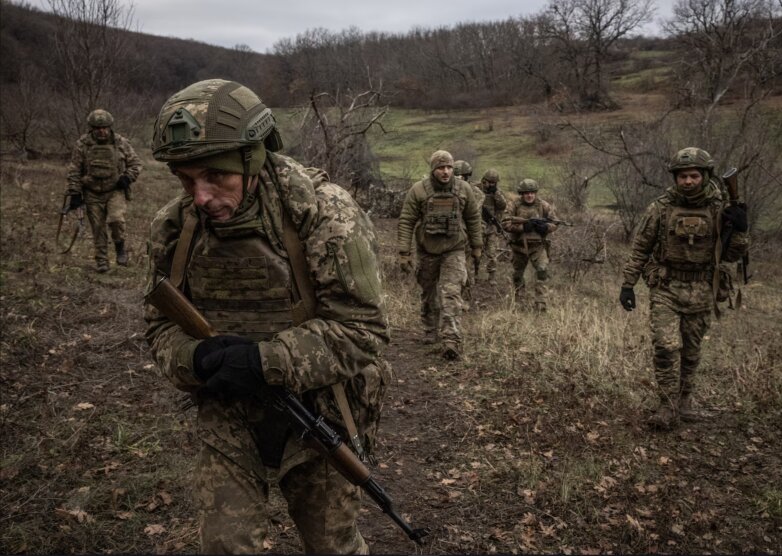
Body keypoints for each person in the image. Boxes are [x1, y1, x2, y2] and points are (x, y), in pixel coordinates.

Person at [143, 79, 391, 554]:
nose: (199, 196)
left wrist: (265, 361)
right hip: (227, 410)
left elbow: (363, 330)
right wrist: (194, 360)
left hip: (320, 411)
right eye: (185, 179)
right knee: (223, 545)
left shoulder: (324, 214)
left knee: (331, 545)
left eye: (215, 177)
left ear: (252, 160)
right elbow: (158, 326)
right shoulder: (174, 228)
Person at [618, 147, 749, 430]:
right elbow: (640, 248)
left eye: (693, 176)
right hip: (666, 287)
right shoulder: (661, 207)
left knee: (691, 349)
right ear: (675, 178)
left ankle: (686, 401)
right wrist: (627, 284)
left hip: (703, 287)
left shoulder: (719, 208)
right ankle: (667, 404)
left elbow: (731, 255)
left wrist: (740, 228)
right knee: (665, 346)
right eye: (682, 177)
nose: (688, 181)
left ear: (704, 175)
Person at [398, 150, 483, 360]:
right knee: (428, 293)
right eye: (440, 168)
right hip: (427, 250)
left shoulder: (463, 189)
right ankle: (430, 330)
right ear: (433, 169)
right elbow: (407, 220)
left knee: (451, 293)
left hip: (454, 249)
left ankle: (451, 339)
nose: (445, 172)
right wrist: (403, 252)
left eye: (449, 167)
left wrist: (477, 246)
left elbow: (473, 218)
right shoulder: (418, 190)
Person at [65, 109, 142, 272]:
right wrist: (75, 193)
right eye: (97, 128)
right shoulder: (83, 144)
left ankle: (120, 247)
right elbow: (74, 169)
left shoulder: (120, 142)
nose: (101, 131)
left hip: (114, 190)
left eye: (105, 127)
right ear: (91, 128)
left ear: (110, 127)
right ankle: (102, 261)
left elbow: (135, 164)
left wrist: (127, 177)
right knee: (98, 228)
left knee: (116, 220)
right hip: (92, 192)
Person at [501, 179, 562, 312]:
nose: (530, 195)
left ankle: (541, 304)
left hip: (538, 246)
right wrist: (523, 227)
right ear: (521, 194)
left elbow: (556, 222)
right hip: (518, 247)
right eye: (526, 193)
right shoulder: (513, 205)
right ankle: (519, 302)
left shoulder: (543, 205)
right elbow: (505, 223)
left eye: (532, 192)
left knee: (542, 271)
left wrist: (546, 227)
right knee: (518, 275)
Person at [454, 159, 484, 308]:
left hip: (466, 236)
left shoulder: (475, 193)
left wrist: (476, 242)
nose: (459, 179)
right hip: (449, 235)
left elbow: (473, 217)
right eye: (456, 176)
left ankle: (464, 297)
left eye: (462, 176)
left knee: (465, 268)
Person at [474, 168, 507, 286]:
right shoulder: (475, 189)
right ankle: (475, 274)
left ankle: (491, 276)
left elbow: (503, 206)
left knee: (492, 254)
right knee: (477, 253)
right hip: (477, 226)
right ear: (484, 180)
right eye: (490, 182)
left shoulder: (497, 192)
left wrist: (495, 193)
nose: (492, 184)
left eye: (494, 183)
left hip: (492, 227)